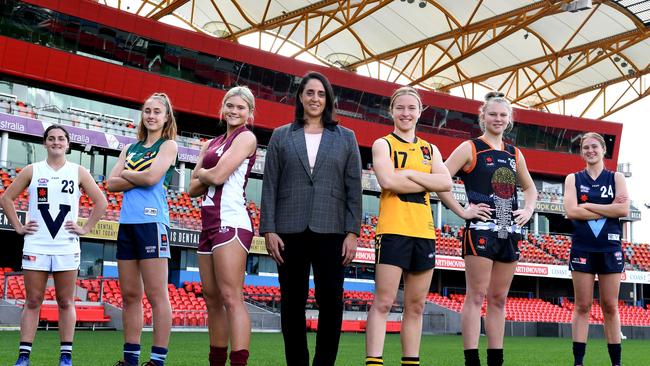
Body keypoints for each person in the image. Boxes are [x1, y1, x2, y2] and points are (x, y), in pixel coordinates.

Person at [260, 71, 362, 366]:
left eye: (321, 94)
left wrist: (352, 233)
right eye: (310, 93)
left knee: (331, 302)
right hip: (289, 231)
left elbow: (353, 187)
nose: (315, 99)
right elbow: (270, 184)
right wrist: (269, 229)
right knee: (292, 304)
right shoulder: (281, 135)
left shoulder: (346, 137)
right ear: (300, 97)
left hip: (332, 231)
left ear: (328, 99)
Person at [437, 92, 537, 366]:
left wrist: (527, 210)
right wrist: (461, 210)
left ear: (509, 120)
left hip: (508, 232)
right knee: (476, 296)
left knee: (499, 298)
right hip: (480, 230)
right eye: (493, 114)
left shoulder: (514, 153)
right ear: (483, 116)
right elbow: (440, 179)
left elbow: (529, 188)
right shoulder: (470, 148)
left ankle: (496, 360)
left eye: (503, 115)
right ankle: (472, 360)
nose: (498, 119)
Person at [0, 125, 107, 366]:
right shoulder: (33, 170)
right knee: (33, 300)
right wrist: (18, 226)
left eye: (61, 139)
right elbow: (6, 198)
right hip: (36, 243)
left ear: (68, 144)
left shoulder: (78, 171)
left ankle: (66, 356)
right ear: (45, 143)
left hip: (66, 245)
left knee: (65, 300)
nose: (56, 142)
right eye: (51, 139)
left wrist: (86, 228)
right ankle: (24, 355)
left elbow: (101, 202)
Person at [364, 86, 452, 366]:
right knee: (384, 302)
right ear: (391, 111)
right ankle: (374, 362)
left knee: (416, 306)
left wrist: (410, 174)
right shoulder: (383, 144)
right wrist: (426, 179)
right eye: (400, 108)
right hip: (392, 230)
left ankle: (410, 362)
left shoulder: (430, 149)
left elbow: (446, 183)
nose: (406, 113)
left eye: (411, 108)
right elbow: (388, 181)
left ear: (419, 112)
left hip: (423, 231)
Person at [188, 86, 258, 366]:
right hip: (208, 222)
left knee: (231, 296)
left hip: (232, 220)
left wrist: (204, 173)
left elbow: (215, 176)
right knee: (211, 297)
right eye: (230, 105)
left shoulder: (247, 138)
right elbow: (192, 188)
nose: (234, 111)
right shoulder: (210, 144)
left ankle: (238, 362)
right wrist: (208, 175)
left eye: (241, 108)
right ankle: (216, 361)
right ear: (222, 107)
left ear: (249, 113)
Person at [108, 93, 178, 366]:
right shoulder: (130, 148)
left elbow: (150, 179)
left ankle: (157, 360)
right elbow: (110, 185)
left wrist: (124, 174)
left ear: (166, 117)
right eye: (147, 110)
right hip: (127, 224)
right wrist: (130, 176)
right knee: (130, 295)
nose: (151, 115)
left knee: (157, 294)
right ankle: (130, 359)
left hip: (152, 223)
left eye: (157, 111)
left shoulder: (168, 145)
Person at [563, 132, 628, 366]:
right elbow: (571, 211)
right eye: (585, 147)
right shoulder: (573, 178)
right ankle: (578, 362)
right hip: (583, 248)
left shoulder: (616, 177)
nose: (590, 150)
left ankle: (616, 363)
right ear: (582, 152)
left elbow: (623, 210)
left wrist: (588, 205)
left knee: (610, 306)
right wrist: (607, 207)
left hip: (610, 248)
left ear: (603, 150)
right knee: (582, 306)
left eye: (594, 146)